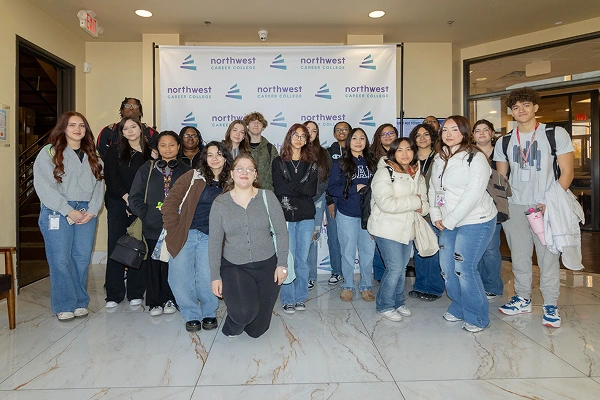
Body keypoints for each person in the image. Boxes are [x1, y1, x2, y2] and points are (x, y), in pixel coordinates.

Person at [495, 87, 574, 328]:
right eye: (516, 107)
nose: (521, 110)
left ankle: (550, 303)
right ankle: (522, 298)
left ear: (536, 107)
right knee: (519, 256)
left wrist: (550, 201)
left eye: (526, 105)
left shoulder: (554, 134)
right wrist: (502, 206)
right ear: (511, 112)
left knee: (548, 256)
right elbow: (501, 179)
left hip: (545, 205)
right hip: (516, 206)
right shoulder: (505, 140)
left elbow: (567, 172)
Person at [429, 115, 497, 333]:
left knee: (464, 268)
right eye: (445, 130)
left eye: (455, 130)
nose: (449, 134)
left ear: (465, 133)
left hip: (476, 220)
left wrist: (449, 220)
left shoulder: (475, 158)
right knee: (447, 269)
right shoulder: (439, 157)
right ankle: (459, 306)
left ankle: (477, 316)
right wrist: (435, 213)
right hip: (448, 221)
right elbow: (434, 188)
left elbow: (473, 195)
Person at [33, 111, 104, 321]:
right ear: (63, 127)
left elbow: (100, 184)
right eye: (72, 125)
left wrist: (93, 209)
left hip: (87, 212)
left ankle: (80, 302)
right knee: (60, 260)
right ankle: (64, 304)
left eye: (82, 125)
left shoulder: (93, 154)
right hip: (57, 211)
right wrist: (67, 210)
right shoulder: (49, 152)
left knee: (81, 259)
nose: (77, 129)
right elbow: (44, 187)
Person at [209, 154, 289, 338]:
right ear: (231, 173)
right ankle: (234, 319)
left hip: (267, 266)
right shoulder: (220, 203)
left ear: (255, 175)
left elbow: (281, 232)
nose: (244, 172)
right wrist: (215, 276)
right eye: (239, 168)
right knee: (244, 314)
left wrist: (281, 264)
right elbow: (214, 242)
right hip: (234, 266)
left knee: (256, 331)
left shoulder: (268, 197)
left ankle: (244, 307)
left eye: (249, 169)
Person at [162, 141, 232, 332]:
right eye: (210, 155)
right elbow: (169, 204)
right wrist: (173, 229)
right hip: (186, 233)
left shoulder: (232, 182)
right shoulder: (192, 176)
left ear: (226, 157)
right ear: (204, 158)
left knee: (207, 276)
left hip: (213, 236)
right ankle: (191, 314)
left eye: (219, 154)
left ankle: (209, 312)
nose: (215, 159)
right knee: (180, 277)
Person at [129, 131, 192, 316]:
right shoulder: (146, 169)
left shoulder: (187, 171)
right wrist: (146, 215)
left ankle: (171, 298)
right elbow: (134, 197)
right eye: (163, 145)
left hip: (177, 226)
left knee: (174, 264)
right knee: (153, 264)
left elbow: (192, 199)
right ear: (157, 148)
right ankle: (155, 302)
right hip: (152, 225)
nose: (167, 149)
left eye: (172, 144)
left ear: (179, 147)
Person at [368, 137, 428, 321]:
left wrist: (420, 204)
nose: (405, 153)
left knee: (401, 268)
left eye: (408, 149)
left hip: (407, 228)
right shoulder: (384, 173)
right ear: (393, 152)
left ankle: (398, 301)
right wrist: (415, 201)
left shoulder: (417, 173)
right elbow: (386, 204)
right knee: (394, 268)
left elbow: (425, 206)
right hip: (386, 227)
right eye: (400, 150)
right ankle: (385, 305)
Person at [103, 117, 152, 309]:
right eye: (125, 128)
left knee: (138, 246)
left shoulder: (151, 153)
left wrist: (137, 204)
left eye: (134, 127)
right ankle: (114, 294)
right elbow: (111, 179)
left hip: (140, 206)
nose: (130, 130)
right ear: (121, 132)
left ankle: (136, 292)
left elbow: (151, 182)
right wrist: (127, 199)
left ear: (141, 129)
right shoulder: (113, 151)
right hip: (118, 202)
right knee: (116, 245)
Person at [272, 124, 318, 313]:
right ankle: (287, 298)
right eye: (295, 135)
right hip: (285, 217)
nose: (299, 139)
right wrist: (299, 187)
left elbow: (311, 190)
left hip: (306, 217)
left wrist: (292, 187)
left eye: (303, 136)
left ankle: (300, 298)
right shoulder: (278, 162)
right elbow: (280, 188)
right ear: (289, 137)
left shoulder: (312, 163)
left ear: (307, 140)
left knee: (302, 259)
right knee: (287, 259)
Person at [328, 127, 377, 302]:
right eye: (354, 138)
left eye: (362, 138)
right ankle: (347, 285)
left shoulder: (373, 162)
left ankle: (366, 286)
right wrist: (353, 188)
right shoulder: (340, 162)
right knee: (347, 251)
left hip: (368, 214)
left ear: (366, 142)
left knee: (367, 252)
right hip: (347, 213)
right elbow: (332, 188)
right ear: (349, 142)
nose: (358, 141)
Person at [408, 123, 445, 301]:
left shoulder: (440, 157)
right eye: (418, 135)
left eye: (426, 134)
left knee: (433, 249)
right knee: (420, 249)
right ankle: (421, 285)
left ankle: (435, 288)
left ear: (432, 137)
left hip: (434, 211)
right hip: (414, 210)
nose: (422, 138)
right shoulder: (409, 158)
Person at [472, 119, 504, 300]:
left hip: (494, 206)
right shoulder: (468, 154)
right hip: (472, 207)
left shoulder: (500, 155)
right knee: (476, 248)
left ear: (492, 133)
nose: (482, 133)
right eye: (478, 130)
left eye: (486, 130)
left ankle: (492, 285)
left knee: (491, 247)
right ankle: (477, 284)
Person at [304, 121, 332, 289]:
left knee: (312, 238)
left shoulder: (323, 153)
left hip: (317, 200)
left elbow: (327, 177)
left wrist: (314, 196)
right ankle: (299, 275)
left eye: (314, 130)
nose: (311, 133)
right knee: (299, 238)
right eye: (308, 129)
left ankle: (311, 276)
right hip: (298, 201)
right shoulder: (295, 151)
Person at [370, 123, 399, 282]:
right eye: (383, 134)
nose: (388, 136)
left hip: (399, 204)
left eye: (391, 133)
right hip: (378, 203)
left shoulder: (404, 153)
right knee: (378, 241)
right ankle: (381, 276)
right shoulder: (371, 156)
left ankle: (394, 275)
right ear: (378, 138)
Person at [325, 121, 351, 285]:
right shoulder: (328, 152)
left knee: (351, 237)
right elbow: (325, 178)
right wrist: (329, 201)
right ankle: (336, 271)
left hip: (353, 199)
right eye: (338, 130)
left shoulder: (357, 149)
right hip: (334, 198)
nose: (341, 132)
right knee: (333, 236)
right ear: (334, 134)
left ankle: (351, 270)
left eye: (345, 129)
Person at [243, 112, 278, 191]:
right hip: (243, 192)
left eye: (259, 122)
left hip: (266, 193)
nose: (256, 125)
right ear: (247, 126)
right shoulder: (241, 147)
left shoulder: (271, 149)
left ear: (263, 127)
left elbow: (276, 174)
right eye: (253, 122)